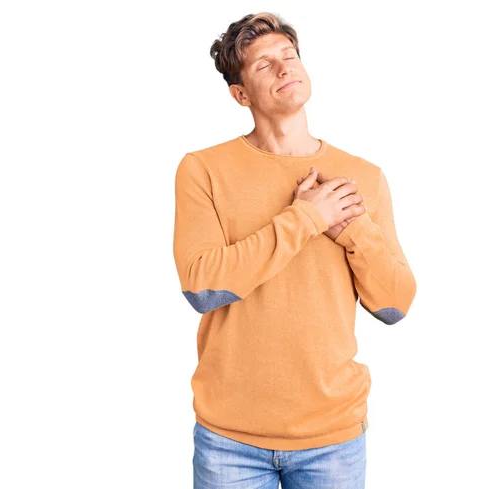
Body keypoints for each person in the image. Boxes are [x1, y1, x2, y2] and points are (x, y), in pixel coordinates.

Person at [173, 11, 417, 489]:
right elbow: (203, 287)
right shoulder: (202, 169)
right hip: (229, 441)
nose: (284, 67)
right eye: (264, 65)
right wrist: (307, 218)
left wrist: (352, 229)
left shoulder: (362, 176)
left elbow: (395, 305)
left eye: (289, 56)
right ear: (239, 95)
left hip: (333, 438)